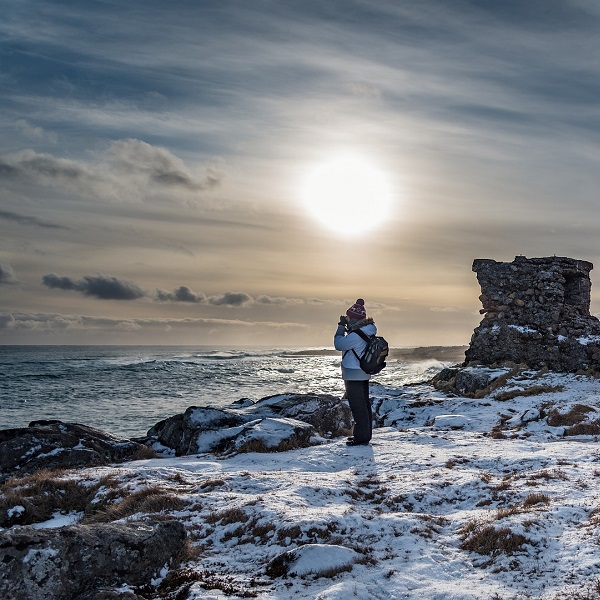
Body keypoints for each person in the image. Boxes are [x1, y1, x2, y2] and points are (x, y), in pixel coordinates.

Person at [334, 298, 377, 446]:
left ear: (354, 319)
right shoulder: (367, 331)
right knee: (364, 405)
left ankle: (361, 438)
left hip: (353, 372)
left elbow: (338, 344)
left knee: (358, 406)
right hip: (362, 371)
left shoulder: (356, 335)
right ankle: (364, 436)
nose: (347, 319)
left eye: (349, 317)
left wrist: (340, 326)